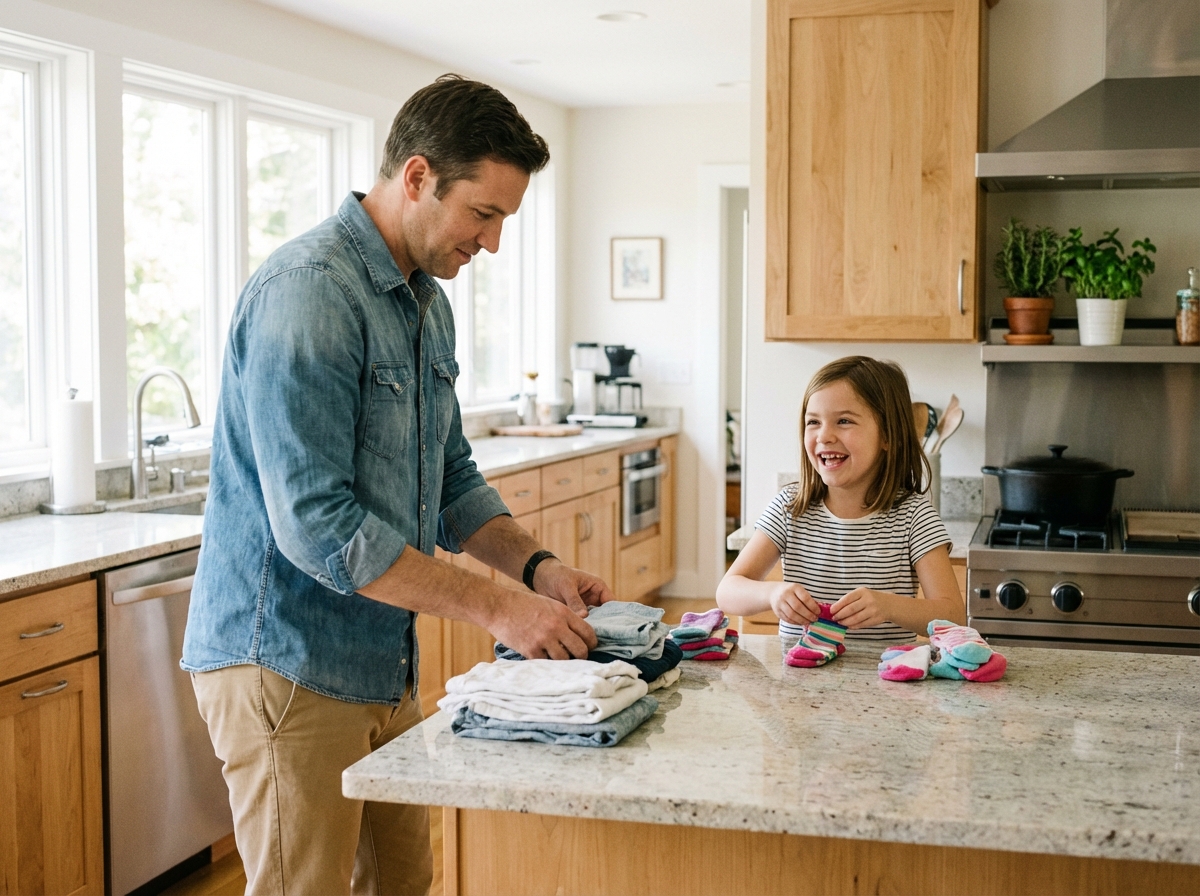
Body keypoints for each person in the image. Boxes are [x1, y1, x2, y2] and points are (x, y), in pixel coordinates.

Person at [182, 75, 611, 896]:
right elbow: (318, 526)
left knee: (403, 883)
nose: (491, 243)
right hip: (288, 664)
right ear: (417, 177)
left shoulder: (424, 303)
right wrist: (498, 609)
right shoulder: (310, 293)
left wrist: (538, 570)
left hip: (381, 661)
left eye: (503, 220)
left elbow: (451, 479)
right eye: (482, 214)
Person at [716, 356, 964, 660]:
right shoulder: (789, 508)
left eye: (844, 421)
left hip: (886, 681)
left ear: (888, 436)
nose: (824, 436)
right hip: (799, 681)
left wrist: (888, 606)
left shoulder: (914, 517)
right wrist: (772, 593)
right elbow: (727, 592)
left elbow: (953, 617)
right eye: (813, 422)